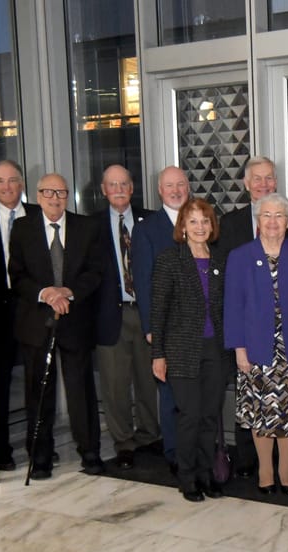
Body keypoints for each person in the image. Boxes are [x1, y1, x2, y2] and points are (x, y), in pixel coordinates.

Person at [224, 193, 288, 494]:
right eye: (266, 215)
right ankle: (266, 470)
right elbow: (233, 307)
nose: (272, 221)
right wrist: (239, 350)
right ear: (258, 220)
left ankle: (286, 469)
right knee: (261, 413)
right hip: (256, 349)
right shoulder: (240, 256)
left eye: (279, 215)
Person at [8, 173, 106, 480]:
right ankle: (40, 457)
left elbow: (95, 272)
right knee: (38, 393)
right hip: (36, 322)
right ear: (38, 196)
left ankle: (90, 452)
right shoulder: (22, 228)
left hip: (75, 321)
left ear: (67, 196)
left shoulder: (86, 227)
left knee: (81, 392)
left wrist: (67, 292)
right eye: (49, 192)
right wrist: (46, 293)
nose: (55, 198)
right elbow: (17, 275)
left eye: (61, 192)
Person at [217, 155, 288, 479]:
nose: (263, 184)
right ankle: (251, 462)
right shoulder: (231, 226)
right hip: (253, 333)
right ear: (246, 183)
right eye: (257, 178)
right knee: (255, 403)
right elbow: (228, 288)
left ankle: (286, 465)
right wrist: (237, 343)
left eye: (269, 177)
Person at [150, 198, 228, 502]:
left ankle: (206, 473)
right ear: (182, 226)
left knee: (209, 416)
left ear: (212, 225)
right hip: (181, 351)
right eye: (193, 221)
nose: (200, 227)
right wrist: (158, 354)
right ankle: (187, 477)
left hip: (216, 350)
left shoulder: (221, 259)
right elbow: (158, 311)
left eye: (205, 221)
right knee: (190, 416)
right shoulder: (169, 259)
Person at [93, 164, 161, 471]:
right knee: (115, 385)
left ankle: (149, 435)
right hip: (112, 316)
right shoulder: (91, 226)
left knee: (149, 380)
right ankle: (123, 443)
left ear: (132, 188)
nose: (119, 189)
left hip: (147, 313)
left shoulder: (151, 220)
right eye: (113, 184)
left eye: (124, 184)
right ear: (104, 190)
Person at [0, 160, 38, 471]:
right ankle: (0, 450)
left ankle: (39, 448)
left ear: (21, 183)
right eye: (0, 181)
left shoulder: (39, 215)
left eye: (12, 180)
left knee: (36, 382)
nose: (6, 186)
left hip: (34, 309)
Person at [132, 165, 192, 472]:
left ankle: (197, 449)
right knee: (170, 393)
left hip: (200, 327)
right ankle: (174, 453)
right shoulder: (146, 229)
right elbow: (142, 282)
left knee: (197, 394)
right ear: (160, 190)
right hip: (166, 326)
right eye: (170, 185)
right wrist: (150, 328)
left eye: (180, 184)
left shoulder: (201, 220)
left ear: (188, 187)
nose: (176, 190)